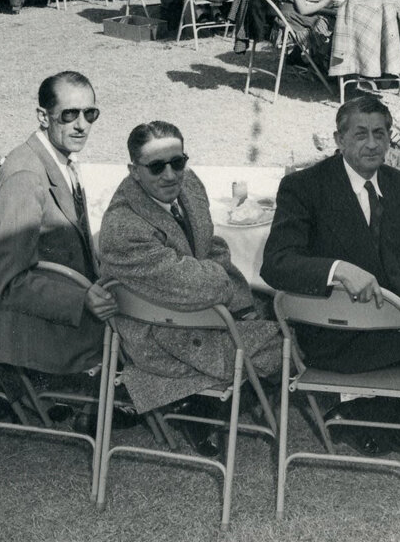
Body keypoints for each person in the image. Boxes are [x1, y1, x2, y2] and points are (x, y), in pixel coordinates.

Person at [260, 95, 400, 461]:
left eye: (380, 134)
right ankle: (380, 421)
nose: (371, 144)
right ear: (339, 139)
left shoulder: (399, 186)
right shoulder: (305, 187)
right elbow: (275, 264)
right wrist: (337, 270)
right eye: (360, 134)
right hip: (333, 333)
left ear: (389, 138)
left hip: (390, 323)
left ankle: (395, 428)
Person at [97, 121, 282, 431]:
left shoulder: (189, 184)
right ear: (133, 170)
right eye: (156, 167)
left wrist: (221, 285)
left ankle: (200, 408)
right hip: (161, 341)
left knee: (272, 309)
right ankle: (203, 409)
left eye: (177, 162)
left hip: (193, 315)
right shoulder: (124, 229)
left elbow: (212, 246)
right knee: (285, 340)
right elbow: (200, 286)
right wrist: (218, 279)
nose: (170, 175)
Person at [0, 72, 116, 377]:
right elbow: (10, 283)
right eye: (69, 114)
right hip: (45, 337)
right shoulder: (25, 176)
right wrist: (82, 299)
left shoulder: (58, 160)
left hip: (62, 318)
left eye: (90, 114)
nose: (81, 125)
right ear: (43, 116)